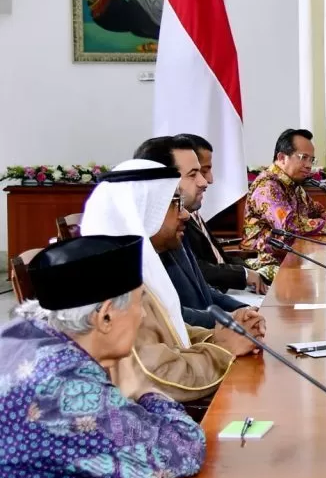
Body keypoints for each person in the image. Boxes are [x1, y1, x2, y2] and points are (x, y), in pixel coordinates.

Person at [0, 234, 206, 478]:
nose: (143, 316)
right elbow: (183, 451)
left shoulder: (23, 335)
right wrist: (144, 390)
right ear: (106, 316)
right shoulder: (65, 388)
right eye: (140, 304)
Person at [81, 160, 258, 403]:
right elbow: (155, 378)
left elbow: (173, 334)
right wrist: (224, 350)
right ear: (142, 209)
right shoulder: (114, 282)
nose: (185, 213)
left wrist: (229, 333)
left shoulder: (142, 263)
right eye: (175, 203)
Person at [134, 137, 268, 332]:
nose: (205, 182)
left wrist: (243, 310)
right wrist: (230, 321)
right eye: (193, 174)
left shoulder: (174, 231)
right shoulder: (143, 244)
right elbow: (168, 315)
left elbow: (202, 290)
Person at [242, 128, 326, 282]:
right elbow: (289, 226)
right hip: (267, 263)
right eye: (303, 158)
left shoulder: (293, 184)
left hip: (294, 256)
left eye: (311, 159)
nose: (309, 165)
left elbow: (315, 210)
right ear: (282, 157)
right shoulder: (267, 187)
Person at [177, 134, 268, 294]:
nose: (208, 180)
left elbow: (218, 256)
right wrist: (243, 275)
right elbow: (195, 268)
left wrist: (251, 273)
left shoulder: (193, 211)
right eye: (196, 173)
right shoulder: (174, 218)